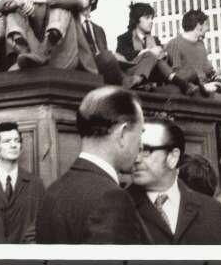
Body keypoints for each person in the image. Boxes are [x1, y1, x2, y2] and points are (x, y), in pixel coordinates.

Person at [36, 86, 150, 244]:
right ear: (123, 133)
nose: (141, 145)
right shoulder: (112, 199)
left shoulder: (53, 191)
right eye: (140, 134)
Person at [163, 9, 221, 175]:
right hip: (194, 90)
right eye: (206, 25)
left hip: (209, 85)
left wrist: (216, 77)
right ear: (198, 26)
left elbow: (206, 68)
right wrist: (201, 83)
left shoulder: (200, 44)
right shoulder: (174, 45)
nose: (208, 28)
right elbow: (177, 75)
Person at [128, 119, 221, 244]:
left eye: (146, 150)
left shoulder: (216, 214)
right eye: (134, 150)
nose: (136, 158)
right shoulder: (114, 208)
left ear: (173, 157)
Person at [0, 0, 82, 69]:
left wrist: (39, 0)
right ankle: (25, 54)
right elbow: (0, 7)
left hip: (63, 58)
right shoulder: (37, 5)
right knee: (14, 12)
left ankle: (40, 55)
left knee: (59, 7)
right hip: (39, 56)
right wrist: (18, 2)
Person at [113, 2, 192, 93]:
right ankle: (182, 83)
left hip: (153, 74)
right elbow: (123, 58)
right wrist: (148, 51)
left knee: (167, 57)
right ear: (136, 20)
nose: (151, 21)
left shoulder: (155, 40)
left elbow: (164, 57)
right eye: (147, 18)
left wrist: (165, 53)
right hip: (134, 71)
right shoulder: (124, 38)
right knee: (153, 56)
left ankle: (189, 83)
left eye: (152, 18)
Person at [70, 0, 126, 83]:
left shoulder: (99, 30)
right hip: (83, 68)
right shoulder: (71, 23)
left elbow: (104, 53)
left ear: (93, 0)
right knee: (108, 57)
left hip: (102, 70)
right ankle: (127, 81)